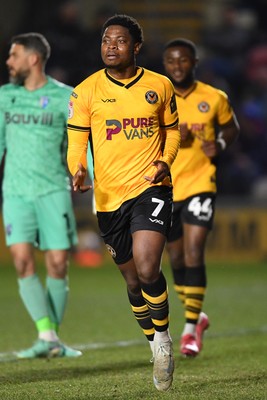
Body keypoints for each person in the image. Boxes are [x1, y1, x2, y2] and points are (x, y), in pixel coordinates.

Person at [67, 14, 180, 392]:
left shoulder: (159, 86)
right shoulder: (85, 91)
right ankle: (152, 341)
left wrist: (165, 162)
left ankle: (163, 341)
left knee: (149, 268)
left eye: (118, 41)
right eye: (105, 41)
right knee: (133, 281)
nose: (110, 46)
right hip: (108, 198)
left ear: (136, 47)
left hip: (152, 186)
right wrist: (78, 169)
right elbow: (76, 144)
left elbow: (171, 131)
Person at [0, 33, 82, 359]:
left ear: (32, 59)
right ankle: (46, 336)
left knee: (58, 263)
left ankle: (52, 338)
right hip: (16, 192)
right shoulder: (5, 96)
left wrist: (83, 170)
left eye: (13, 55)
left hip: (53, 190)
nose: (8, 62)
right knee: (22, 261)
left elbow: (79, 142)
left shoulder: (65, 97)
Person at [162, 38, 240, 357]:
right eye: (171, 61)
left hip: (199, 184)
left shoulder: (214, 97)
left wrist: (218, 145)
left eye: (183, 60)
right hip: (166, 187)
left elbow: (231, 127)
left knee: (194, 251)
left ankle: (190, 329)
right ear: (164, 65)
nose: (177, 66)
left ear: (194, 63)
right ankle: (199, 316)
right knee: (177, 258)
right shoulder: (157, 98)